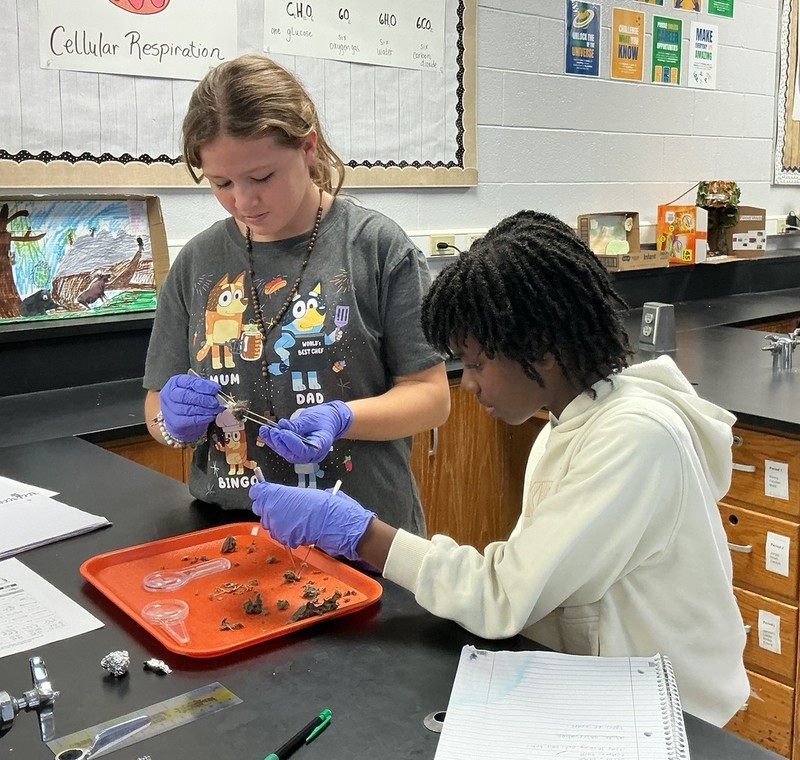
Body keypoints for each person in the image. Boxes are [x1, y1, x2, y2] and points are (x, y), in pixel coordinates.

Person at [249, 209, 750, 727]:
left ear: (542, 351)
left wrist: (359, 533)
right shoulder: (568, 422)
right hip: (598, 685)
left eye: (478, 362)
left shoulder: (635, 438)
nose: (468, 383)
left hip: (671, 717)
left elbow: (504, 595)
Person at [143, 54, 450, 535]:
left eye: (262, 177)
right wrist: (170, 423)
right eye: (221, 183)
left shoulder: (375, 248)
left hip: (362, 537)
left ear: (308, 148)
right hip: (233, 535)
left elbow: (431, 397)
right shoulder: (197, 263)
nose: (244, 202)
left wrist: (342, 417)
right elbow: (156, 406)